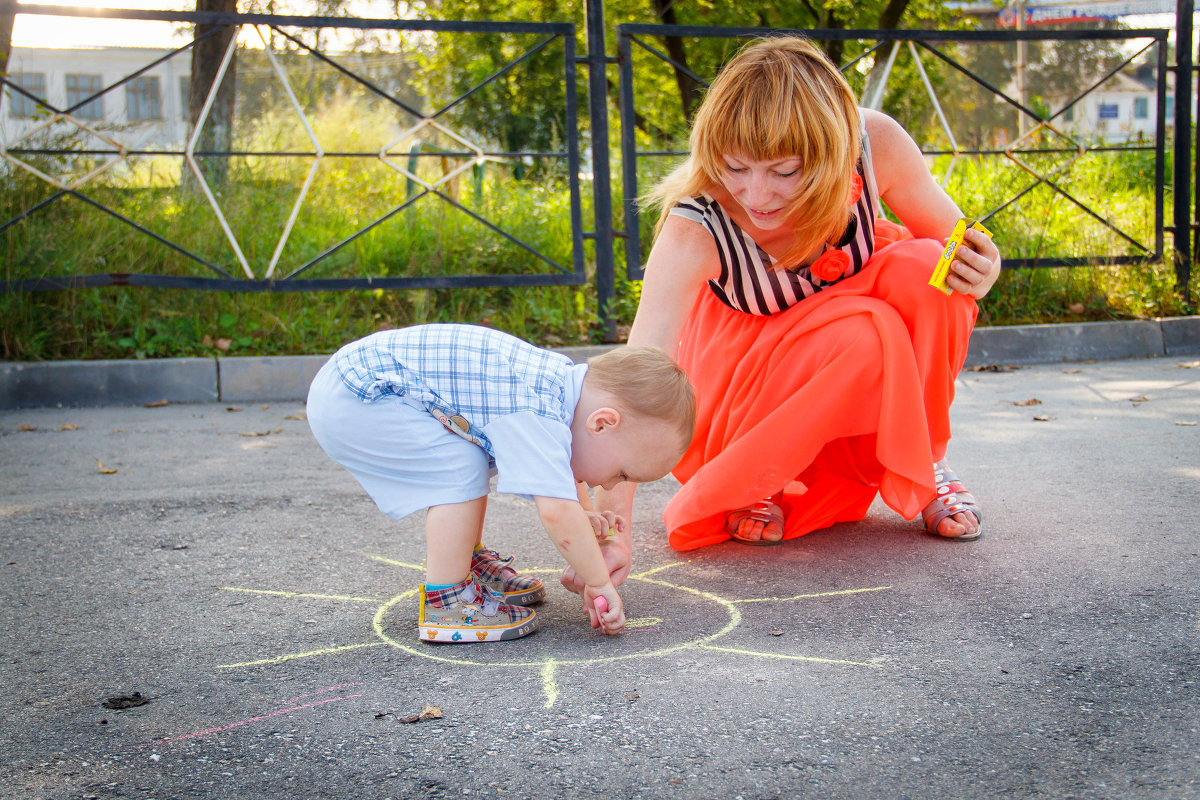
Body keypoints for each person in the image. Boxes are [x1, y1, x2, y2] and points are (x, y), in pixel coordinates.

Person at [561, 35, 1002, 593]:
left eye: (784, 171)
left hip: (845, 363)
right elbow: (636, 377)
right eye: (736, 166)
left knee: (927, 272)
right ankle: (760, 478)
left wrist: (986, 266)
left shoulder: (875, 142)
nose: (756, 193)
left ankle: (925, 463)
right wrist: (611, 529)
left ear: (834, 151)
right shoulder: (696, 224)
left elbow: (964, 241)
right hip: (746, 392)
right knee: (865, 334)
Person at [306, 323, 695, 644]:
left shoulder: (558, 391)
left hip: (360, 388)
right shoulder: (537, 410)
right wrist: (599, 584)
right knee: (459, 466)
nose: (611, 484)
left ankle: (465, 564)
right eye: (622, 473)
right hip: (359, 398)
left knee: (467, 459)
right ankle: (448, 602)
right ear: (602, 423)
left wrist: (588, 514)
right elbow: (557, 511)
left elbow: (562, 473)